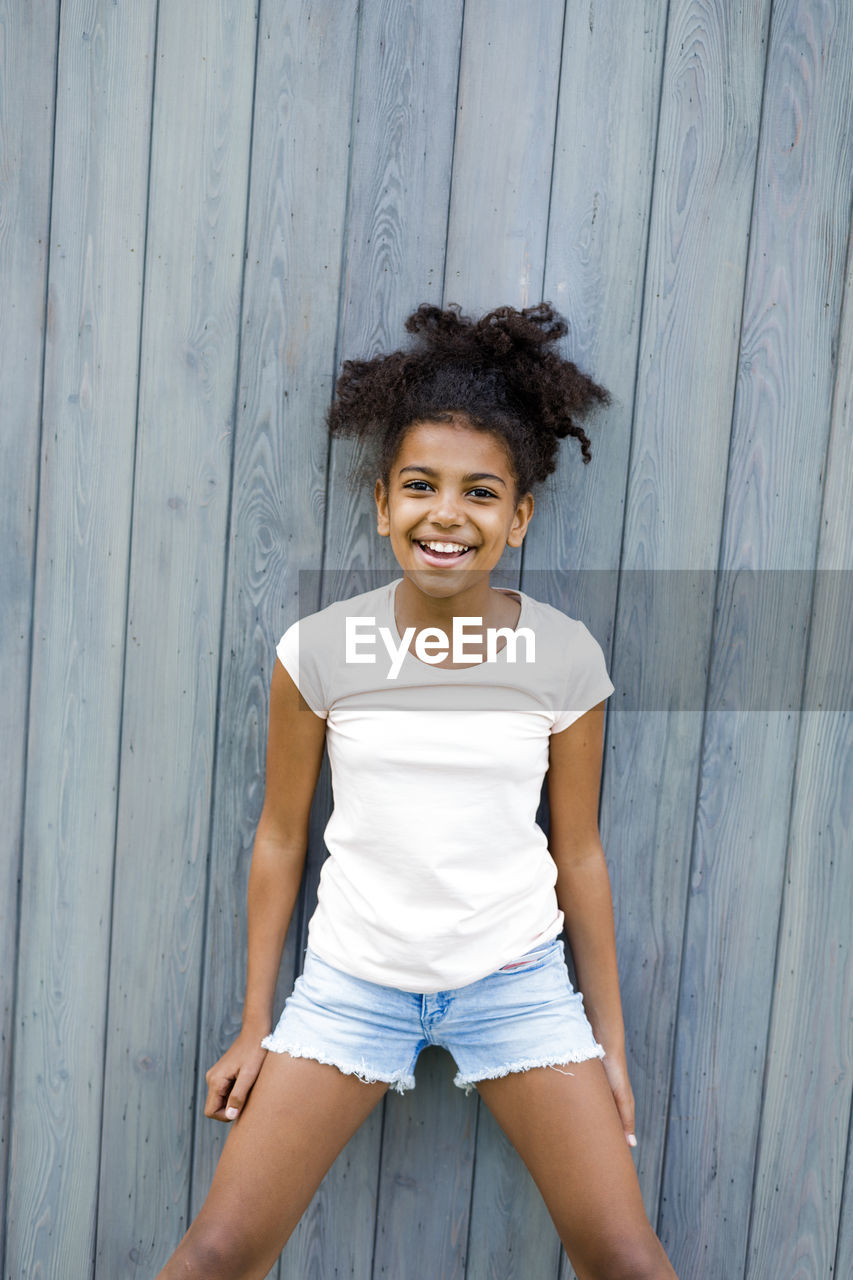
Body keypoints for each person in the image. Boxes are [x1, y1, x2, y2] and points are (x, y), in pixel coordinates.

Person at [156, 303, 677, 1279]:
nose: (448, 513)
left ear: (517, 516)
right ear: (383, 504)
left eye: (481, 491)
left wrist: (607, 1048)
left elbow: (580, 854)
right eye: (420, 486)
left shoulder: (562, 655)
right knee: (217, 1251)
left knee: (624, 1253)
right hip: (354, 983)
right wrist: (256, 1020)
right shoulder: (319, 651)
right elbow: (279, 837)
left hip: (514, 984)